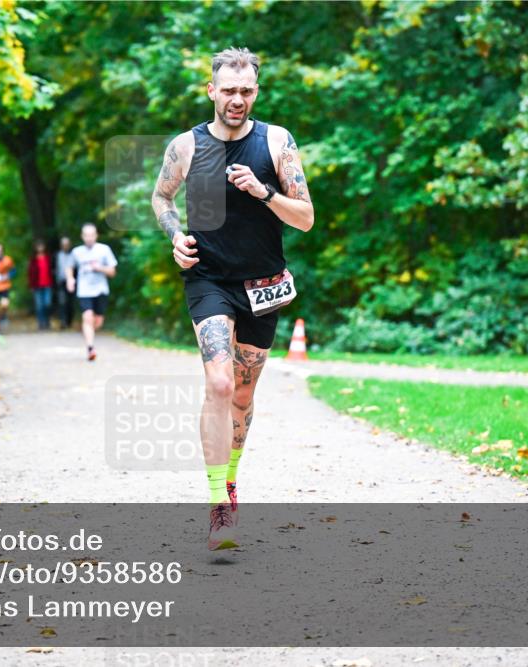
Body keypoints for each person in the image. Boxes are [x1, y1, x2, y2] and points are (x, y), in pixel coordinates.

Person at [150, 47, 314, 550]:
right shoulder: (187, 146)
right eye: (228, 91)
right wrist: (175, 236)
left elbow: (306, 218)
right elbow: (161, 196)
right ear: (212, 91)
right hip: (209, 279)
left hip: (263, 285)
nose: (237, 99)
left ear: (255, 92)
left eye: (246, 91)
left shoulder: (277, 143)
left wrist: (264, 192)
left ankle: (231, 480)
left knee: (243, 395)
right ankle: (217, 501)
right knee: (219, 383)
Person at [65, 223, 117, 361]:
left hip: (101, 290)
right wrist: (70, 279)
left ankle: (89, 332)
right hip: (84, 291)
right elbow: (69, 267)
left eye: (91, 235)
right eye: (86, 235)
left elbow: (112, 272)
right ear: (82, 236)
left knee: (97, 322)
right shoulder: (76, 252)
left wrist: (100, 268)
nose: (89, 238)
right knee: (87, 317)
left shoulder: (104, 250)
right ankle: (90, 348)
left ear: (96, 235)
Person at [28, 240, 54, 330]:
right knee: (39, 305)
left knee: (47, 303)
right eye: (38, 246)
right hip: (37, 285)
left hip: (48, 284)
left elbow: (52, 270)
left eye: (41, 246)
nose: (40, 248)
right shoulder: (33, 259)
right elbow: (30, 273)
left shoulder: (48, 257)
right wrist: (31, 285)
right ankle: (41, 323)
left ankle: (47, 321)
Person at [54, 236, 76, 329]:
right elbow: (54, 268)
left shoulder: (74, 254)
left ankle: (69, 321)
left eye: (67, 244)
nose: (65, 246)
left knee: (70, 303)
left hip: (72, 282)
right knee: (62, 302)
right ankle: (63, 321)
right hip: (61, 282)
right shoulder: (57, 255)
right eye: (63, 245)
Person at [0, 243, 15, 332]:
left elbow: (14, 271)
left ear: (2, 251)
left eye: (0, 250)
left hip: (5, 286)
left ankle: (3, 317)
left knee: (4, 304)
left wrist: (8, 276)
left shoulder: (8, 260)